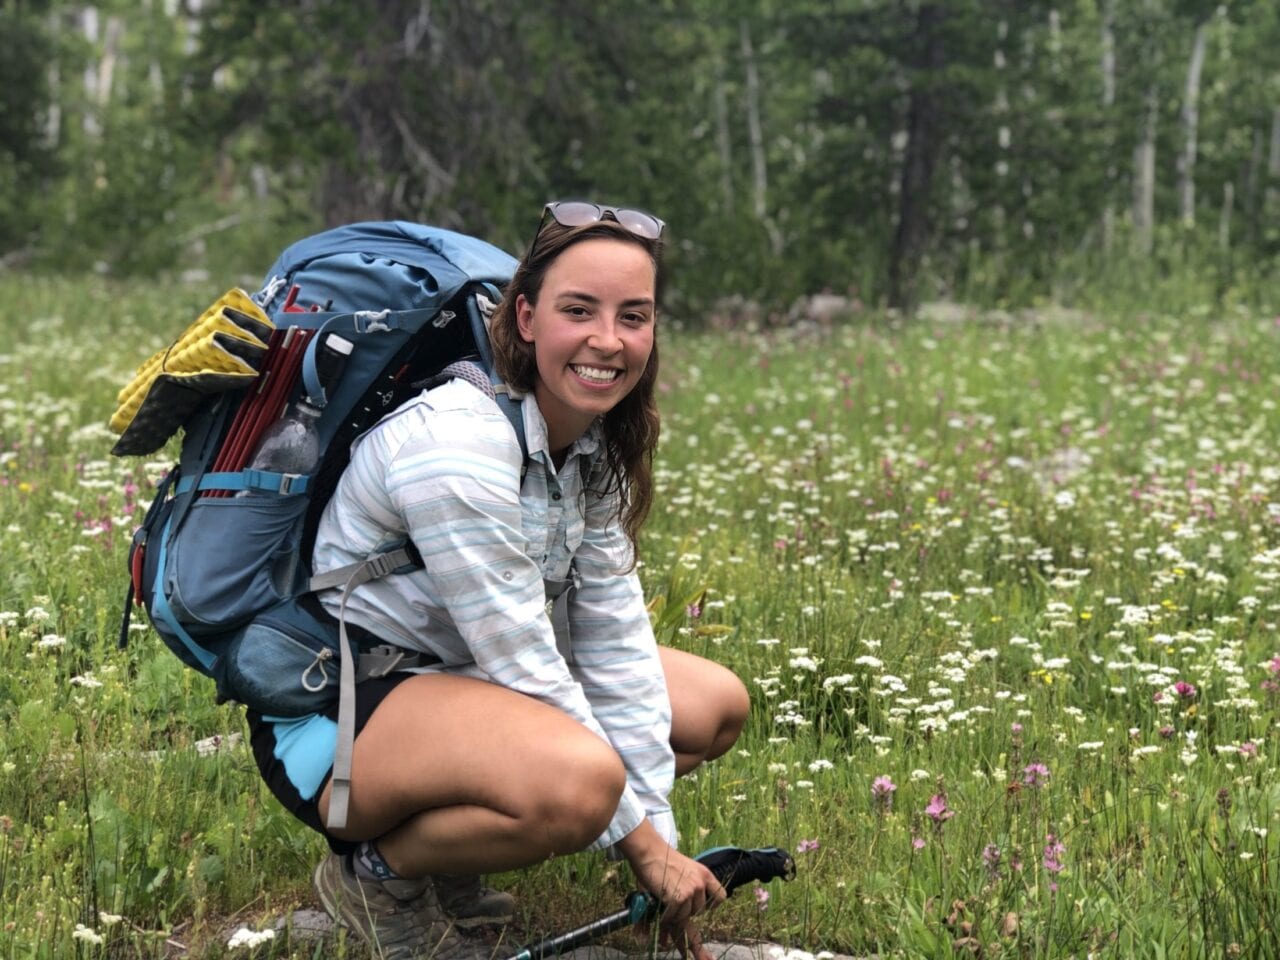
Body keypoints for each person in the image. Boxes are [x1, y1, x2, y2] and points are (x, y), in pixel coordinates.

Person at [245, 201, 751, 960]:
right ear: (524, 318)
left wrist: (663, 846)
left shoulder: (592, 443)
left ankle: (456, 858)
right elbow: (524, 660)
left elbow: (615, 643)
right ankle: (376, 875)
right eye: (578, 310)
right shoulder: (456, 443)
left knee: (713, 707)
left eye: (634, 316)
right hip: (342, 713)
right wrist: (643, 849)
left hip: (464, 684)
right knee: (584, 783)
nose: (608, 341)